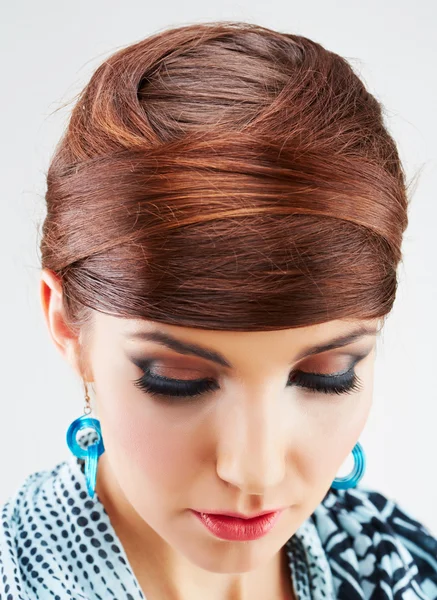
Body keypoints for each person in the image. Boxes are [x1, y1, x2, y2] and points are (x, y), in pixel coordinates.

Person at [0, 20, 436, 600]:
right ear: (65, 325)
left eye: (326, 376)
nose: (255, 471)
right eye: (178, 380)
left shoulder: (400, 564)